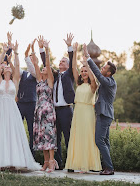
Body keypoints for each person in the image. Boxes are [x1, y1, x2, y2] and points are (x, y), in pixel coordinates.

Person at [0, 39, 41, 171]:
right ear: (2, 71)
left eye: (9, 65)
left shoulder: (15, 80)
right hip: (1, 109)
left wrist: (16, 52)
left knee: (13, 133)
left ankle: (15, 160)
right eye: (6, 66)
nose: (7, 66)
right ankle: (0, 160)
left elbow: (18, 66)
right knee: (1, 132)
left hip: (12, 109)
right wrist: (3, 52)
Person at [65, 42, 102, 173]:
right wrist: (74, 52)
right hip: (78, 112)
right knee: (77, 137)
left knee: (87, 137)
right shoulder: (79, 84)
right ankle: (78, 164)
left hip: (88, 113)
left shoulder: (93, 86)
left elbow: (93, 79)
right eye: (82, 71)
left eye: (85, 71)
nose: (84, 72)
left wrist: (86, 63)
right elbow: (73, 67)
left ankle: (88, 165)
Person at [39, 33, 75, 170]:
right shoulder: (54, 75)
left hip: (66, 109)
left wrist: (69, 47)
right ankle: (58, 163)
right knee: (55, 139)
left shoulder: (69, 74)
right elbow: (46, 64)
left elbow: (72, 61)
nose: (60, 62)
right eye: (60, 61)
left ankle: (71, 163)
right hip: (54, 111)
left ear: (68, 65)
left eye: (63, 61)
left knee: (68, 137)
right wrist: (42, 49)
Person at [83, 43, 117, 175]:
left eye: (104, 68)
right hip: (105, 114)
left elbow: (97, 74)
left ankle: (109, 168)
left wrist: (88, 57)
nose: (101, 68)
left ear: (108, 73)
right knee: (105, 142)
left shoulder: (109, 82)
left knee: (99, 140)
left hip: (104, 115)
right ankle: (108, 167)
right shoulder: (109, 81)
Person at [32, 36, 58, 172]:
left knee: (49, 135)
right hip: (39, 110)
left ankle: (52, 162)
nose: (43, 69)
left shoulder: (50, 81)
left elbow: (47, 64)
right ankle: (46, 162)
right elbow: (36, 64)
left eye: (45, 68)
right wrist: (34, 49)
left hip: (48, 110)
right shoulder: (39, 81)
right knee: (42, 136)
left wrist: (47, 50)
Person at [16, 38, 38, 156]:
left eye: (32, 58)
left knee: (31, 130)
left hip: (31, 104)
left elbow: (33, 69)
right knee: (18, 127)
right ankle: (18, 152)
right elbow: (16, 67)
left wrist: (28, 55)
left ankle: (31, 154)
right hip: (20, 103)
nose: (30, 60)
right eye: (29, 58)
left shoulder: (36, 74)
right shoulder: (23, 73)